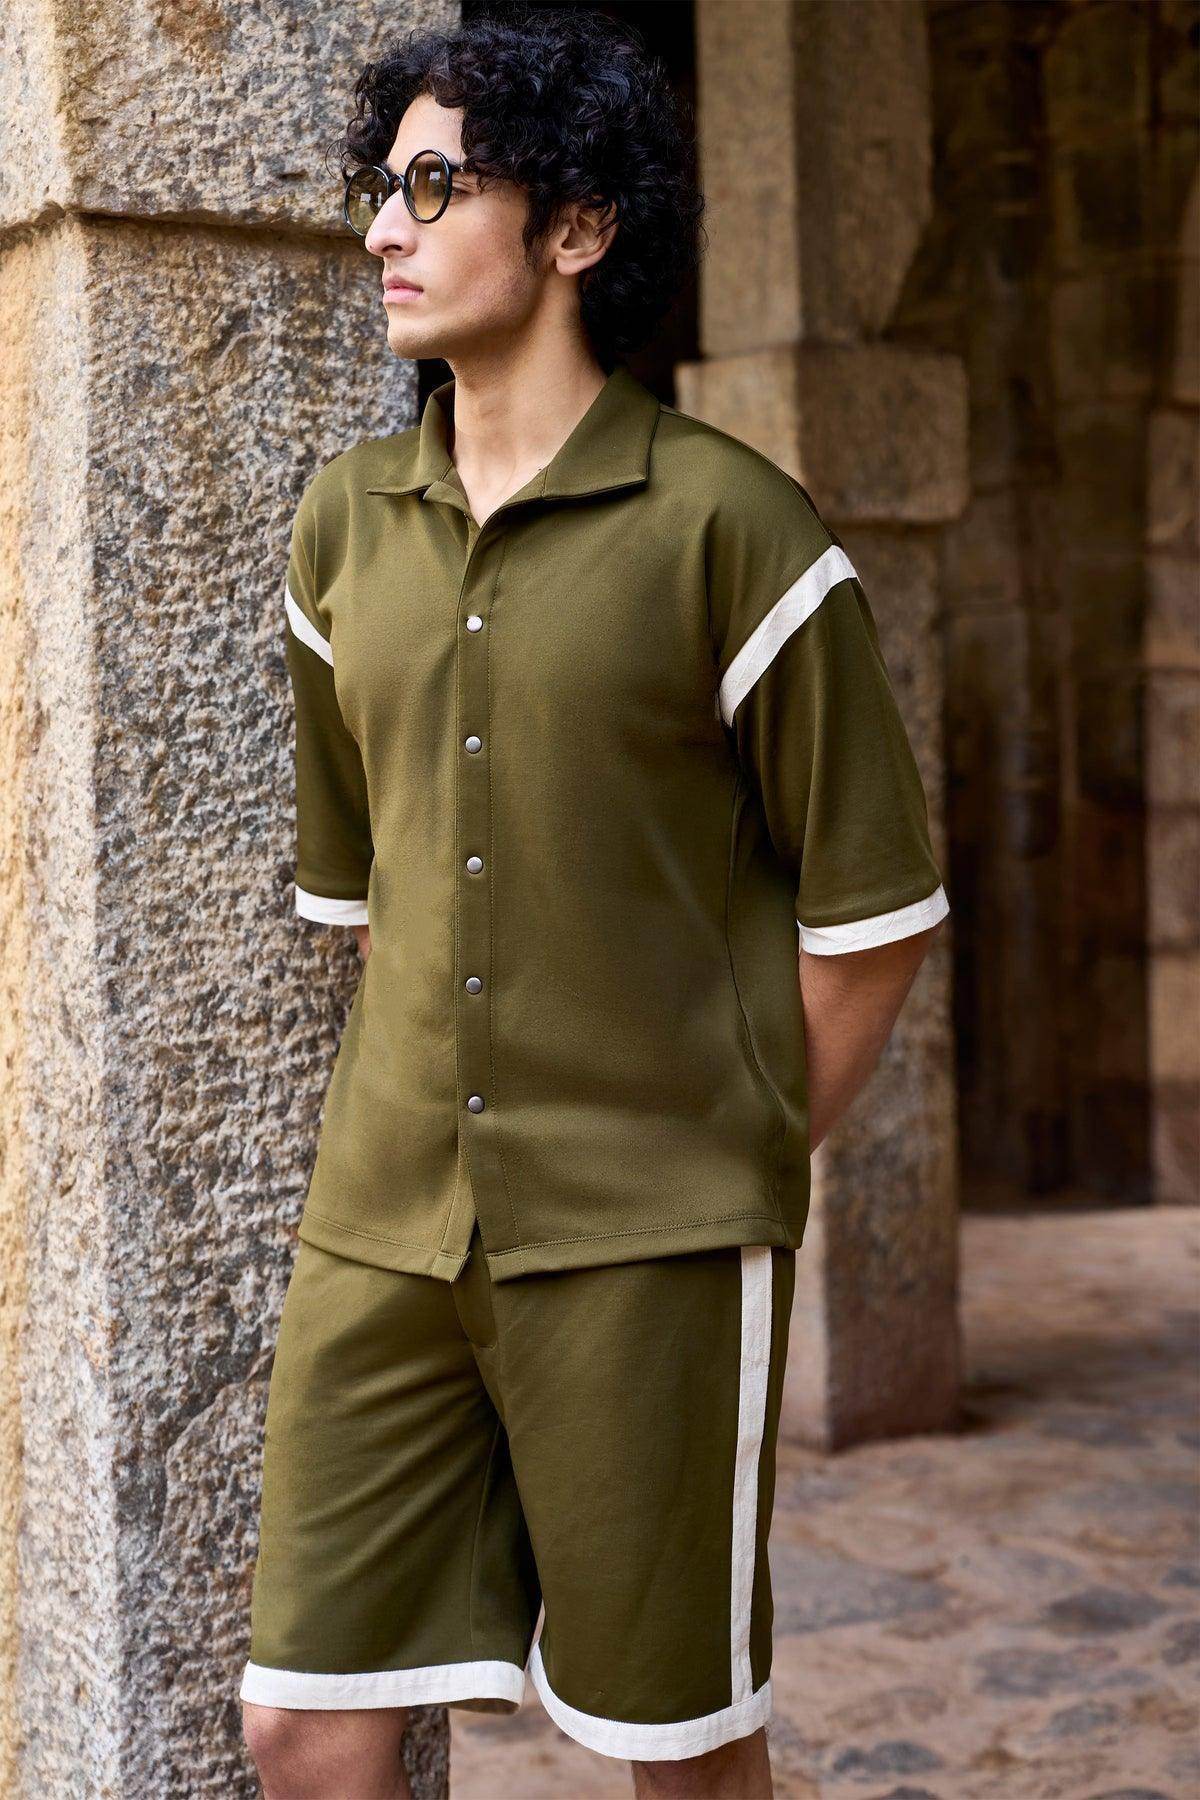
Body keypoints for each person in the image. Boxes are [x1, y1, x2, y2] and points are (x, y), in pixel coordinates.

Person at [240, 8, 950, 1797]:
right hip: (385, 1228)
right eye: (381, 189)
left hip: (651, 1243)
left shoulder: (737, 531)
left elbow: (875, 919)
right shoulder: (342, 530)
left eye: (433, 188)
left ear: (576, 225)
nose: (383, 230)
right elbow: (365, 902)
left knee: (673, 1751)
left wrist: (722, 1158)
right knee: (304, 1726)